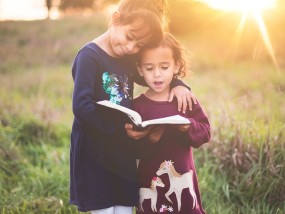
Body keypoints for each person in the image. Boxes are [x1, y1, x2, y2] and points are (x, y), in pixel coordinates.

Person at [69, 0, 197, 213]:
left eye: (139, 45)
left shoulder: (126, 57)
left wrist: (178, 84)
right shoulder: (89, 57)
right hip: (94, 151)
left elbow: (152, 75)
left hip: (122, 151)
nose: (131, 48)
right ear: (116, 19)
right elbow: (81, 107)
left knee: (124, 207)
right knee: (103, 208)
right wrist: (119, 130)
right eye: (130, 37)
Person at [133, 33, 211, 213]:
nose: (157, 74)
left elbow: (205, 132)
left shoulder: (185, 99)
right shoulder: (137, 106)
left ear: (176, 66)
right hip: (150, 179)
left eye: (164, 66)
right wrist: (150, 140)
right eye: (149, 68)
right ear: (139, 69)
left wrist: (188, 126)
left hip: (182, 177)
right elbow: (133, 150)